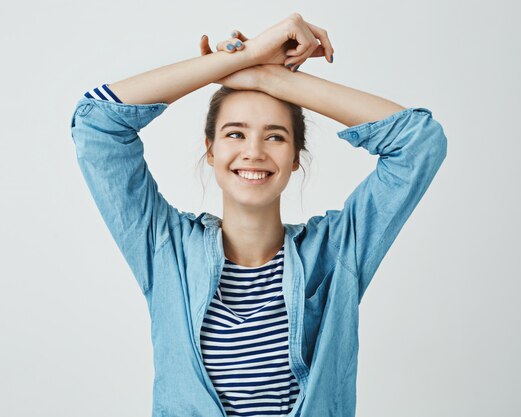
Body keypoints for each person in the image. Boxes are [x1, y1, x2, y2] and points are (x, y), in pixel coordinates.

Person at [70, 12, 447, 417]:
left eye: (275, 136)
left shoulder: (335, 253)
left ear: (295, 157)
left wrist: (271, 78)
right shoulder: (166, 251)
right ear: (211, 150)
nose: (254, 151)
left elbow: (419, 143)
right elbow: (96, 122)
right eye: (235, 133)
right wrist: (234, 60)